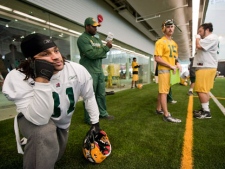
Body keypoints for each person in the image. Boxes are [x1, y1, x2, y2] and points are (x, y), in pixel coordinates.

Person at [2, 33, 101, 168]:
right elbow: (39, 119)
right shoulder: (18, 76)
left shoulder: (76, 70)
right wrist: (42, 80)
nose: (56, 57)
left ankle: (37, 143)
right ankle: (35, 139)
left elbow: (89, 97)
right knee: (43, 133)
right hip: (32, 117)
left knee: (54, 155)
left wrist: (95, 122)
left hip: (62, 122)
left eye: (56, 50)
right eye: (45, 54)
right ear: (31, 60)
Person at [77, 17, 114, 124]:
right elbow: (92, 54)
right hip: (89, 71)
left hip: (99, 70)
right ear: (87, 26)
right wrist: (105, 48)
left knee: (101, 94)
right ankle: (89, 118)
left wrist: (101, 51)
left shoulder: (97, 39)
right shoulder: (83, 39)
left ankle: (103, 113)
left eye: (96, 26)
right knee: (89, 95)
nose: (96, 29)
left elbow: (100, 54)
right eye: (93, 26)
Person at [154, 19, 182, 123]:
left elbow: (175, 57)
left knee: (162, 91)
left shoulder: (174, 43)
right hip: (164, 70)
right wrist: (171, 65)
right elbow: (157, 58)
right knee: (163, 92)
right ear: (164, 28)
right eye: (168, 26)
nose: (170, 28)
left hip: (170, 71)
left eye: (172, 26)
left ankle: (158, 109)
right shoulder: (160, 42)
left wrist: (177, 63)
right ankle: (166, 115)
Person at [193, 23, 219, 119]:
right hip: (206, 67)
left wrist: (197, 37)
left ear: (207, 29)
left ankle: (206, 112)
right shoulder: (210, 39)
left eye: (200, 31)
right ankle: (205, 109)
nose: (199, 33)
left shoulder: (211, 38)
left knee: (201, 90)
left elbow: (198, 45)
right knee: (204, 90)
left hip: (206, 67)